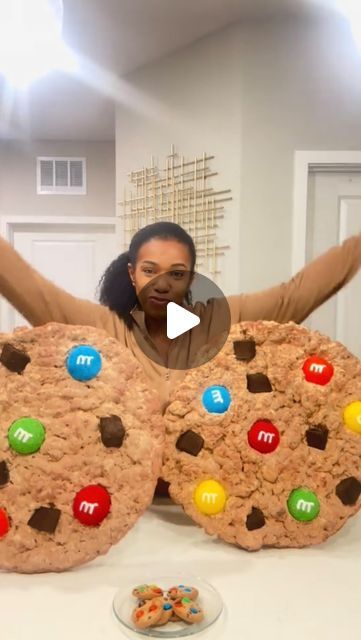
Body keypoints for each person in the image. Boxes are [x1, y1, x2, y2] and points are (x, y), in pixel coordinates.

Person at [0, 221, 360, 413]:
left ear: (190, 277)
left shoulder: (219, 319)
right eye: (149, 270)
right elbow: (31, 287)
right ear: (131, 273)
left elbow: (293, 295)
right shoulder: (100, 327)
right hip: (129, 511)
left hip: (207, 506)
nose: (161, 284)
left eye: (176, 273)